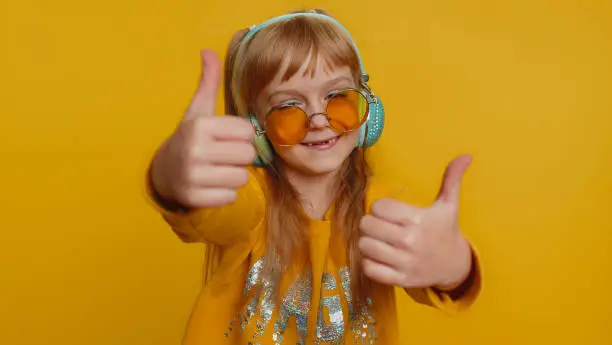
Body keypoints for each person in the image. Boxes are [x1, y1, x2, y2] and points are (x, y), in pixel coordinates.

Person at [147, 8, 481, 345]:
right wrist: (171, 179)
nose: (318, 120)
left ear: (368, 105)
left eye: (337, 98)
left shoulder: (383, 205)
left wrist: (454, 265)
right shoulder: (251, 200)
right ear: (257, 130)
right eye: (289, 106)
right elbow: (214, 211)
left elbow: (428, 264)